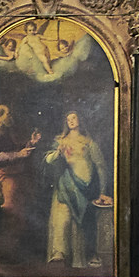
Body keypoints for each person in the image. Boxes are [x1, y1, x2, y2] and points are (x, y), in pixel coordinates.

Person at [45, 110, 111, 268]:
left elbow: (101, 167)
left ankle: (79, 260)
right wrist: (58, 153)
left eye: (74, 117)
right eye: (68, 119)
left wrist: (101, 190)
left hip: (85, 188)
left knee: (80, 223)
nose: (71, 121)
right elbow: (48, 160)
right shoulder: (61, 140)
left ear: (81, 119)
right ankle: (59, 253)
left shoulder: (89, 142)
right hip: (65, 185)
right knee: (62, 217)